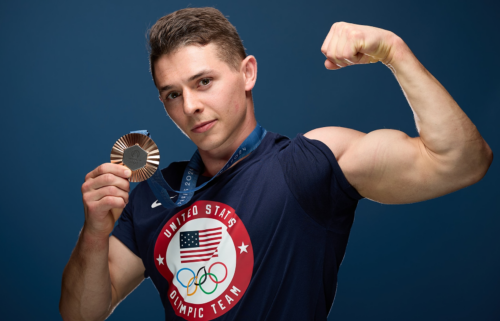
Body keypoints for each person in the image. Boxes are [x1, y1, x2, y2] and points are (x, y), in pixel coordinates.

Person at [59, 7, 493, 321]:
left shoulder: (308, 163)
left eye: (204, 82)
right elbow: (82, 314)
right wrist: (94, 233)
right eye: (173, 94)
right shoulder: (155, 192)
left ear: (247, 73)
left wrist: (394, 51)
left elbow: (462, 162)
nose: (190, 106)